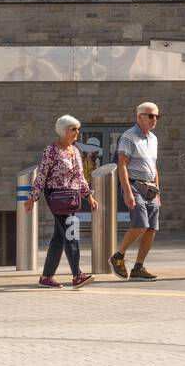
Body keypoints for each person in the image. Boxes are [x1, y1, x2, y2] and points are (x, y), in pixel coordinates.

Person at [26, 114, 96, 289]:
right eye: (73, 129)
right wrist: (32, 197)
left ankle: (46, 277)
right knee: (71, 233)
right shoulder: (51, 150)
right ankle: (77, 275)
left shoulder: (76, 151)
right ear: (63, 131)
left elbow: (80, 177)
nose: (77, 132)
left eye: (78, 129)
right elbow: (41, 175)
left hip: (72, 197)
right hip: (56, 196)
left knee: (59, 237)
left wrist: (89, 195)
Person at [108, 102, 162, 281]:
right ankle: (118, 256)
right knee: (140, 225)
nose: (154, 119)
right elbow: (122, 165)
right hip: (135, 185)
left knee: (151, 229)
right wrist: (128, 192)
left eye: (157, 116)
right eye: (151, 116)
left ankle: (139, 267)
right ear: (140, 117)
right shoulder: (128, 137)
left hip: (151, 188)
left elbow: (153, 166)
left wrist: (158, 192)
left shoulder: (153, 138)